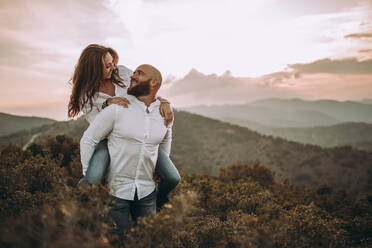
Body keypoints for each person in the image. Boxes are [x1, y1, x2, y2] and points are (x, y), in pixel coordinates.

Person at [68, 44, 180, 209]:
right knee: (92, 179)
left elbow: (144, 89)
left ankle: (158, 202)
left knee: (172, 177)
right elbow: (96, 126)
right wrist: (107, 104)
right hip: (109, 139)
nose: (112, 67)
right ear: (93, 69)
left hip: (139, 131)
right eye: (107, 65)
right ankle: (83, 212)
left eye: (112, 62)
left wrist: (164, 101)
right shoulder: (86, 95)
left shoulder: (121, 72)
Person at [80, 64, 172, 233]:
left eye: (139, 73)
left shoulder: (164, 113)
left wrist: (164, 101)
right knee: (118, 240)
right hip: (116, 191)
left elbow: (166, 138)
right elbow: (89, 138)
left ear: (153, 83)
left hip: (147, 192)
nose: (132, 76)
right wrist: (89, 173)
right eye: (105, 65)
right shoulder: (115, 108)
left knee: (148, 240)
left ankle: (162, 204)